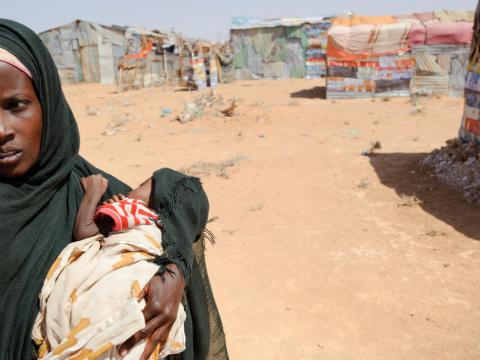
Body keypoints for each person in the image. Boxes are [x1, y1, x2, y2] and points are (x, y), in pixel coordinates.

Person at [0, 19, 228, 360]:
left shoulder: (80, 186)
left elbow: (182, 193)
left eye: (15, 105)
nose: (2, 129)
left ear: (47, 103)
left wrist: (174, 272)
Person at [32, 175, 187, 359]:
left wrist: (93, 191)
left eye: (142, 184)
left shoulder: (132, 207)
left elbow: (84, 230)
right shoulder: (165, 230)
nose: (133, 188)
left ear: (157, 194)